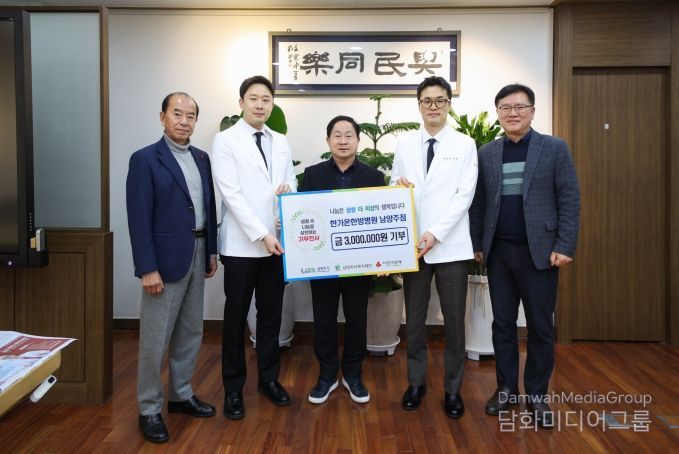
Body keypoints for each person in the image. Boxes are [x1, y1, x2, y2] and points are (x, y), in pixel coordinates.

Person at [469, 83, 580, 428]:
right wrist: (478, 243)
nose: (512, 113)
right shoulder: (487, 152)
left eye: (519, 107)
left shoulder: (554, 148)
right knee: (502, 324)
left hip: (541, 253)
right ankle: (506, 389)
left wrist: (564, 245)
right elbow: (478, 203)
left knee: (541, 327)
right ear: (498, 113)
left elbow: (569, 198)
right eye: (505, 107)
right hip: (499, 252)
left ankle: (537, 395)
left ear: (532, 111)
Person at [126, 92, 218, 444]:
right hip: (163, 262)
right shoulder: (145, 159)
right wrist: (147, 267)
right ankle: (149, 408)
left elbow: (208, 207)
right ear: (162, 117)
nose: (184, 121)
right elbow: (139, 218)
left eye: (190, 115)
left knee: (191, 331)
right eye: (177, 114)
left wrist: (211, 251)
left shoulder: (201, 158)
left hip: (198, 251)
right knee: (155, 339)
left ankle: (180, 395)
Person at [391, 76, 478, 419]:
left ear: (448, 105)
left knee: (454, 321)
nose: (433, 106)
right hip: (413, 246)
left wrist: (435, 234)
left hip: (450, 246)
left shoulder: (465, 144)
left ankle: (453, 389)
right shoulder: (404, 144)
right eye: (426, 100)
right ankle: (416, 383)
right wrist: (397, 185)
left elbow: (464, 197)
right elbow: (395, 185)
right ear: (419, 105)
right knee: (414, 318)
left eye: (440, 100)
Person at [211, 75, 297, 420]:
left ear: (272, 104)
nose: (260, 105)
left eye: (266, 99)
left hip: (276, 244)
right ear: (241, 103)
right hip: (242, 245)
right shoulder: (225, 140)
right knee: (235, 318)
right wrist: (261, 234)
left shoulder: (281, 140)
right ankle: (233, 389)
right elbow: (230, 195)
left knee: (271, 316)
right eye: (253, 98)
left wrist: (287, 190)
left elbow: (290, 180)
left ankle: (268, 380)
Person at [299, 115, 385, 405]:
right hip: (322, 263)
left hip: (359, 265)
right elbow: (304, 216)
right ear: (328, 141)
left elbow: (380, 221)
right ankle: (326, 374)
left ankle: (352, 373)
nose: (343, 140)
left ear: (358, 141)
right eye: (337, 135)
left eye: (349, 135)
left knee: (357, 318)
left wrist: (384, 260)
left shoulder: (374, 178)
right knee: (323, 318)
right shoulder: (312, 175)